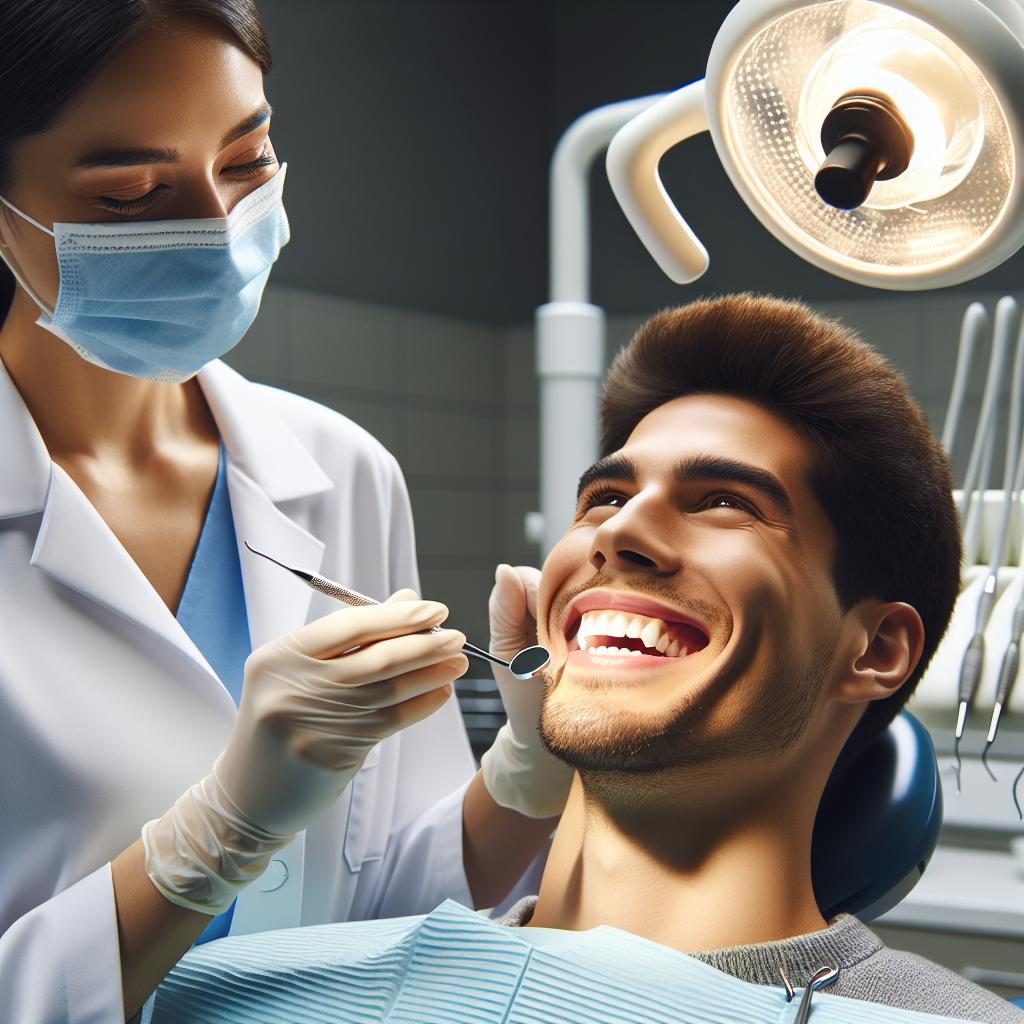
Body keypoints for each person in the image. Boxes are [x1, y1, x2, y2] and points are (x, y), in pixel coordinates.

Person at [150, 295, 1024, 1023]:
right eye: (605, 496)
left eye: (725, 502)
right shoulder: (241, 997)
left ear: (876, 649)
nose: (620, 532)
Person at [0, 3, 570, 1022]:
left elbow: (386, 904)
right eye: (131, 194)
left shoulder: (339, 470)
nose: (218, 228)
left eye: (247, 158)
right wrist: (212, 837)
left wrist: (520, 783)